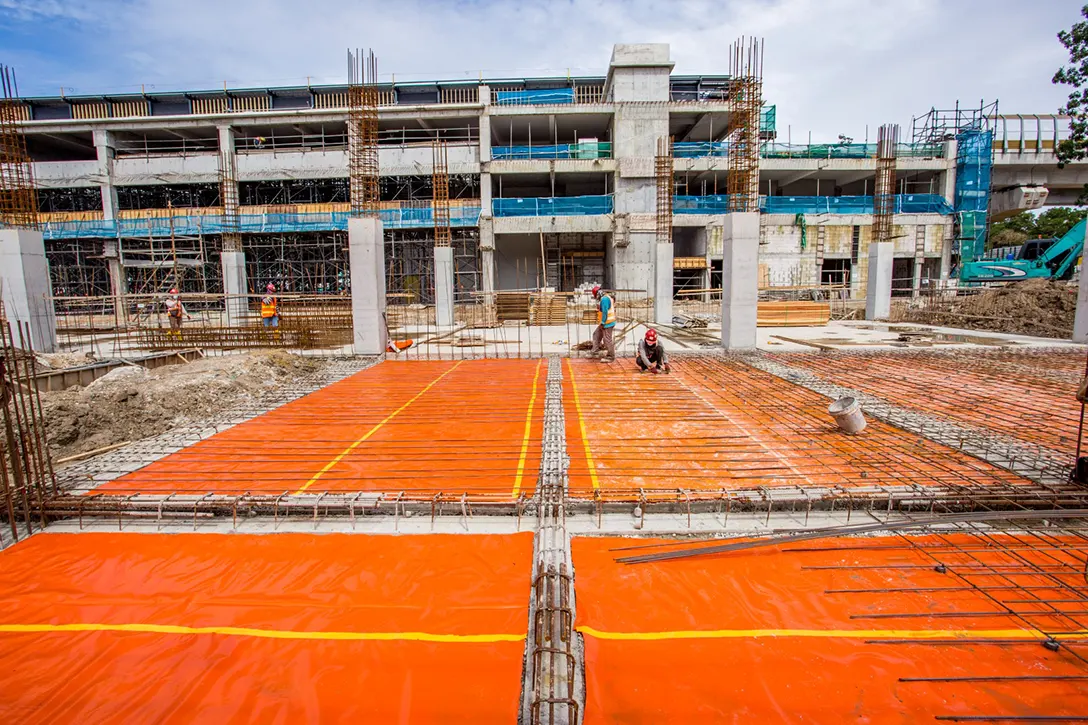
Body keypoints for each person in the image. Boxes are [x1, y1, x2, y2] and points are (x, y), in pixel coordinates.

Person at [589, 284, 616, 362]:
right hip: (604, 322)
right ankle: (595, 351)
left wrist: (603, 322)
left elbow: (605, 312)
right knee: (596, 335)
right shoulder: (605, 297)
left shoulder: (604, 299)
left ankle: (611, 357)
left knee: (607, 340)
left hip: (607, 323)